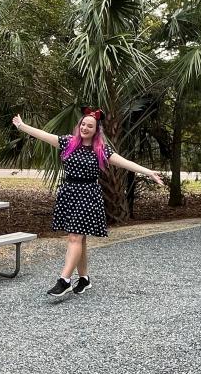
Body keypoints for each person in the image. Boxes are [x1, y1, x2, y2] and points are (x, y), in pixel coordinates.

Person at [12, 107, 165, 296]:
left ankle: (64, 280)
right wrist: (22, 126)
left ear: (96, 130)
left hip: (88, 195)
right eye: (83, 124)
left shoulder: (100, 149)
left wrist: (148, 172)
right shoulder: (68, 142)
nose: (85, 128)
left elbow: (125, 162)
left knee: (75, 237)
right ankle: (84, 279)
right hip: (69, 192)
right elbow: (44, 135)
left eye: (89, 126)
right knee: (80, 239)